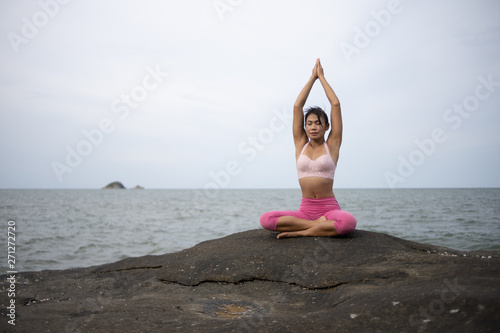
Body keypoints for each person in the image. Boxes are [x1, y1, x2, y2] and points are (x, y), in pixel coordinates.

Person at [260, 58, 357, 239]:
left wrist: (321, 77)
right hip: (305, 210)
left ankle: (300, 232)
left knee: (348, 222)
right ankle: (314, 226)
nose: (313, 127)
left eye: (318, 124)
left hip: (329, 209)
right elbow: (297, 106)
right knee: (266, 219)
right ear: (305, 127)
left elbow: (335, 104)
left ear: (326, 127)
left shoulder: (332, 144)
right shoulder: (300, 144)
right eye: (309, 123)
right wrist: (312, 78)